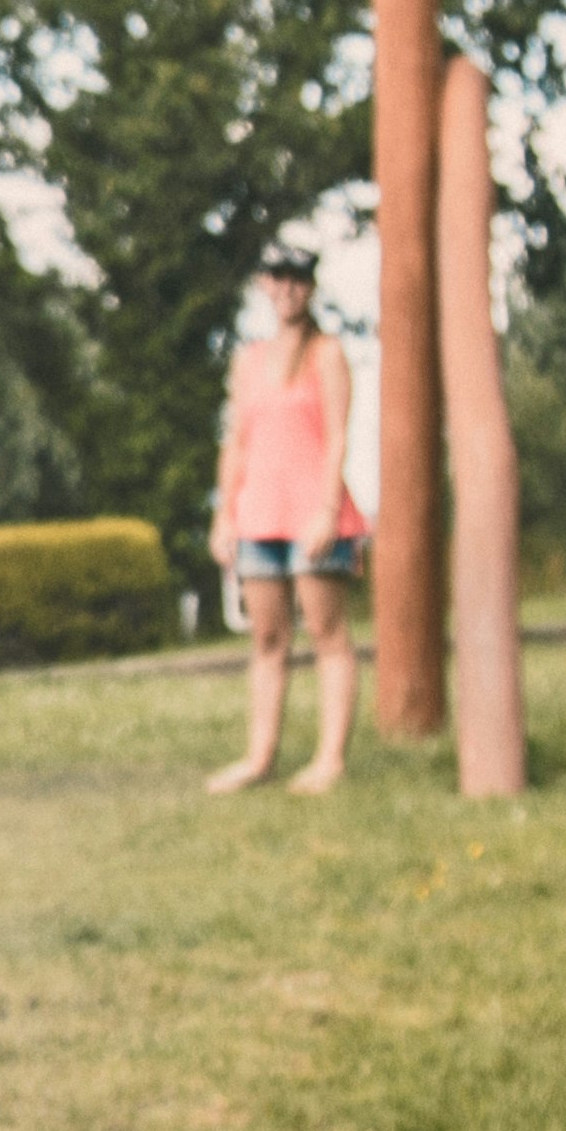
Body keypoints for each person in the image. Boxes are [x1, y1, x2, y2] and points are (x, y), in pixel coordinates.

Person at [205, 251, 364, 797]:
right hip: (258, 515)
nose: (288, 288)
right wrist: (226, 512)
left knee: (327, 633)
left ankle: (330, 759)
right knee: (268, 639)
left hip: (315, 516)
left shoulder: (327, 353)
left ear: (310, 287)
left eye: (299, 278)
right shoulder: (248, 360)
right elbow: (237, 441)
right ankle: (259, 757)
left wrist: (325, 510)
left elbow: (339, 435)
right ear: (263, 284)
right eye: (278, 278)